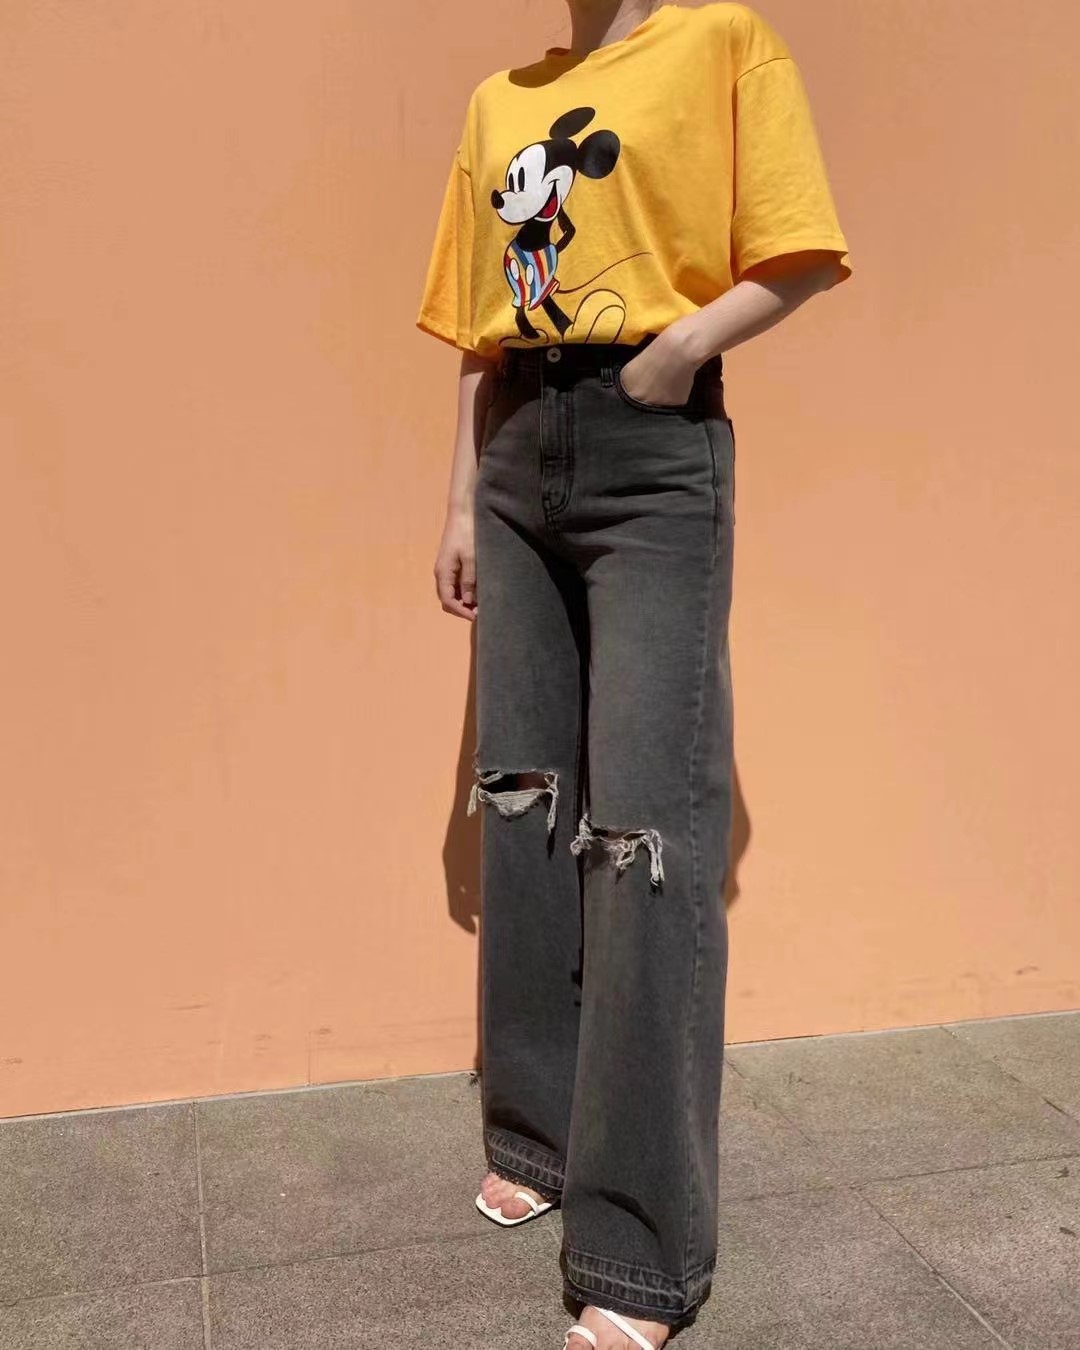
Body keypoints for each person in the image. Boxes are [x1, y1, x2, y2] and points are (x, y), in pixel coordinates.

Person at [417, 2, 852, 1345]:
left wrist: (680, 350)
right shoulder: (501, 96)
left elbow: (801, 251)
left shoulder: (724, 42)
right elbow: (480, 325)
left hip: (651, 453)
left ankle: (640, 1248)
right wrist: (458, 501)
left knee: (645, 836)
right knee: (522, 800)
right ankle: (536, 1133)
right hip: (515, 448)